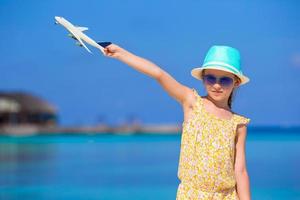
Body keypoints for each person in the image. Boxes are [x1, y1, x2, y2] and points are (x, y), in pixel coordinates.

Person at [102, 44, 251, 200]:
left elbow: (240, 171)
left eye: (225, 80)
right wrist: (121, 53)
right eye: (211, 78)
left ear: (236, 82)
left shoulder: (238, 123)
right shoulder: (192, 102)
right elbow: (158, 74)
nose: (216, 85)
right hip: (191, 195)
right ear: (203, 78)